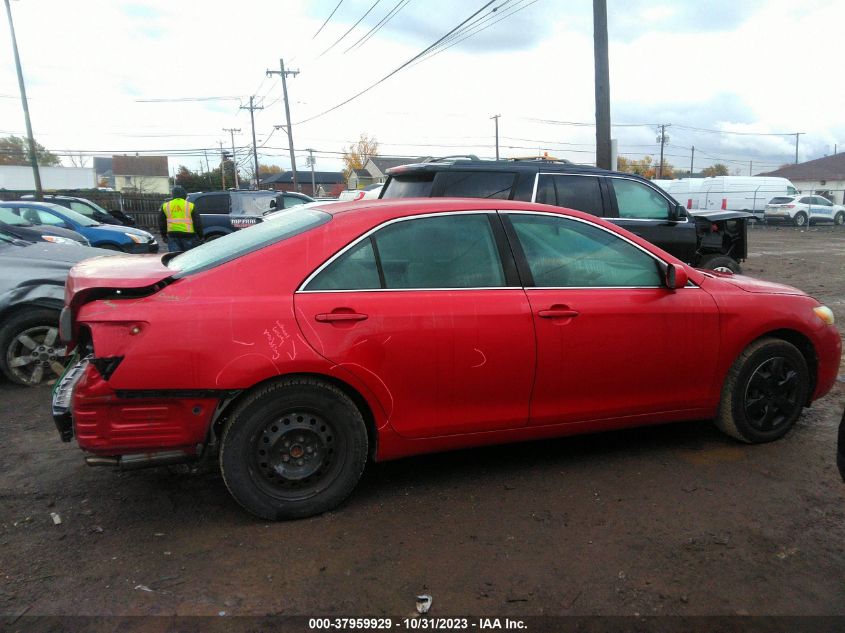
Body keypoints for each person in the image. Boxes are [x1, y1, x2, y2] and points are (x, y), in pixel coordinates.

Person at [159, 186, 202, 252]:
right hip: (189, 236)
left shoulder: (166, 206)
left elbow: (162, 222)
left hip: (173, 236)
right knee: (189, 258)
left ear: (173, 195)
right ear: (184, 194)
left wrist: (163, 235)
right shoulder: (190, 205)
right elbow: (197, 223)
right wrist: (200, 235)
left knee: (175, 258)